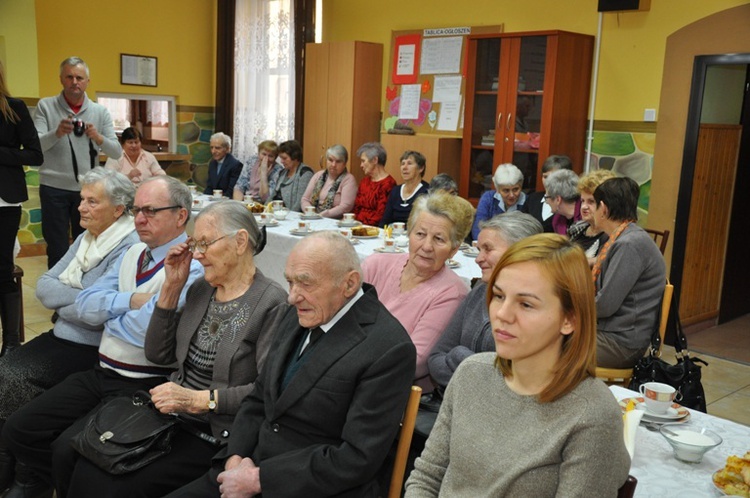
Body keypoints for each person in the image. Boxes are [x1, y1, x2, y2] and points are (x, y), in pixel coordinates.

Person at [63, 200, 288, 497]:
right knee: (80, 459)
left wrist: (199, 400)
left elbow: (266, 391)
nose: (197, 254)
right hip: (171, 418)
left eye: (205, 243)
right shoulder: (200, 289)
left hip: (216, 431)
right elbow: (159, 354)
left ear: (240, 242)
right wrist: (170, 288)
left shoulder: (271, 302)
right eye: (195, 243)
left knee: (110, 484)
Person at [166, 231, 417, 497]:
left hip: (309, 487)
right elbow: (258, 399)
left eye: (306, 283)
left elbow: (357, 458)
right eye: (290, 282)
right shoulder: (298, 312)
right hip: (246, 468)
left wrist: (260, 480)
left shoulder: (388, 348)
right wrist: (236, 458)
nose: (292, 296)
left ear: (349, 284)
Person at [1, 176, 204, 498]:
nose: (139, 219)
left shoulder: (190, 266)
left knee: (70, 448)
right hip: (102, 370)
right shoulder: (133, 252)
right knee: (21, 428)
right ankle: (50, 482)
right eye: (137, 210)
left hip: (144, 381)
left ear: (181, 216)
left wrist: (110, 316)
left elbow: (146, 331)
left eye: (150, 211)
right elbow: (84, 305)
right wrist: (128, 303)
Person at [405, 234, 631, 497]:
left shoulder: (591, 415)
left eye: (526, 304)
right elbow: (427, 478)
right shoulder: (471, 373)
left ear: (569, 320)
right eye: (499, 296)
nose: (501, 314)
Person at [0, 167, 136, 493]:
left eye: (92, 201)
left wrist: (73, 303)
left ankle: (30, 477)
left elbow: (93, 315)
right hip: (63, 335)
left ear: (118, 209)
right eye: (81, 200)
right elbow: (45, 287)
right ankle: (9, 467)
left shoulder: (127, 246)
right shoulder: (88, 238)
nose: (81, 208)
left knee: (16, 376)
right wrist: (80, 302)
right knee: (4, 370)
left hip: (91, 347)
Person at [363, 192, 474, 391]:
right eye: (420, 234)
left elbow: (414, 360)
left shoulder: (451, 293)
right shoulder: (375, 265)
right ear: (409, 233)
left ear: (453, 250)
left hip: (392, 391)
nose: (427, 246)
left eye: (439, 239)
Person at [428, 212, 543, 392]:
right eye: (479, 249)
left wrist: (460, 355)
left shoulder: (537, 308)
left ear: (519, 250)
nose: (478, 258)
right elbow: (436, 358)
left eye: (488, 249)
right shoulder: (481, 290)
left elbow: (515, 383)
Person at [34, 56, 122, 269]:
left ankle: (83, 289)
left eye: (80, 77)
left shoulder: (99, 111)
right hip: (53, 188)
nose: (75, 82)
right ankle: (58, 291)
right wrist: (56, 133)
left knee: (88, 243)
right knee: (57, 245)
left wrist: (97, 137)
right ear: (61, 79)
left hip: (88, 190)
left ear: (87, 81)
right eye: (70, 77)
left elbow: (117, 151)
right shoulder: (45, 106)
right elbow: (35, 147)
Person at [592, 177, 666, 369]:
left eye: (593, 204)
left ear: (604, 208)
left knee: (549, 345)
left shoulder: (629, 244)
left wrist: (569, 308)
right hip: (613, 334)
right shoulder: (627, 237)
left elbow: (605, 306)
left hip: (621, 343)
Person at [0, 60, 43, 357]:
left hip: (4, 201)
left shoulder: (13, 108)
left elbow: (35, 155)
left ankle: (12, 343)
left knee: (2, 269)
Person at [568, 169, 617, 263]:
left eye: (591, 201)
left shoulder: (614, 236)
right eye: (582, 201)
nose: (584, 207)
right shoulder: (576, 229)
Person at [471, 163, 528, 239]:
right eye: (506, 190)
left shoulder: (528, 202)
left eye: (515, 189)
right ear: (498, 190)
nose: (511, 195)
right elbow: (478, 228)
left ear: (521, 187)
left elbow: (527, 235)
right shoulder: (488, 198)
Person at [301, 144, 358, 218]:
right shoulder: (318, 175)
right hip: (312, 217)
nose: (333, 165)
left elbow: (346, 207)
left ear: (344, 164)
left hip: (335, 221)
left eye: (338, 161)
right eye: (330, 160)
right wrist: (309, 212)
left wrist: (324, 214)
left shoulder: (349, 179)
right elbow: (305, 199)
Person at [380, 150, 430, 227]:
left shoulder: (427, 192)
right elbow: (385, 220)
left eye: (409, 163)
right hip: (392, 235)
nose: (404, 167)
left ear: (421, 168)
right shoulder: (395, 191)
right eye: (403, 164)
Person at [352, 142, 396, 226]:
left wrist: (361, 226)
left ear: (375, 160)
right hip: (357, 226)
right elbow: (356, 208)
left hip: (374, 229)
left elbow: (381, 215)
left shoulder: (388, 184)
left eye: (363, 161)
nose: (361, 165)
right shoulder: (364, 181)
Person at [263, 140, 313, 212]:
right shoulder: (283, 172)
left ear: (295, 157)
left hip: (290, 215)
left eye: (285, 158)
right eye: (281, 158)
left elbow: (300, 202)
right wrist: (265, 209)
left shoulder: (305, 173)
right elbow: (273, 194)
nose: (281, 161)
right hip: (277, 212)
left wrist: (289, 216)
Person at [526, 155, 573, 224]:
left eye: (554, 177)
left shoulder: (570, 204)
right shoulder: (533, 199)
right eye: (545, 177)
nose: (548, 181)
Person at [204, 132, 242, 198]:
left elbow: (231, 191)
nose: (213, 151)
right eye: (211, 147)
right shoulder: (212, 163)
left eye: (217, 148)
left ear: (227, 149)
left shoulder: (235, 165)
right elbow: (209, 187)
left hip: (226, 203)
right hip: (213, 201)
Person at [544, 168, 581, 235]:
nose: (546, 202)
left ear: (558, 200)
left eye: (547, 197)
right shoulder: (557, 220)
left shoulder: (586, 216)